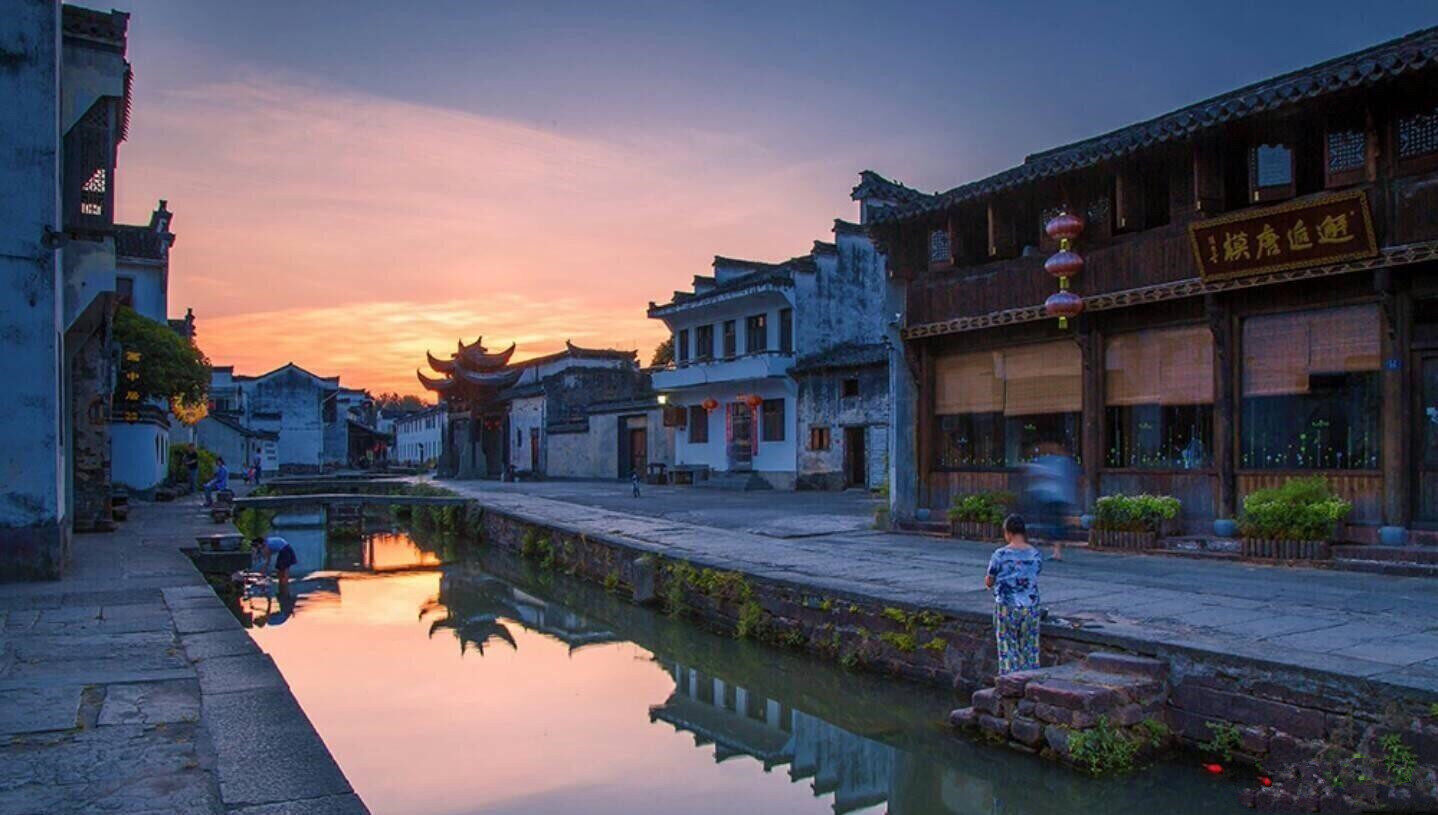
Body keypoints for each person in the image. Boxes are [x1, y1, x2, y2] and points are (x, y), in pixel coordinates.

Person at [985, 514, 1043, 675]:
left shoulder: (1000, 554)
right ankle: (1030, 679)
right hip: (1031, 606)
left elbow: (989, 580)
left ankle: (1010, 681)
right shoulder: (1035, 554)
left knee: (1007, 647)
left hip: (1006, 605)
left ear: (1008, 533)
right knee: (1030, 647)